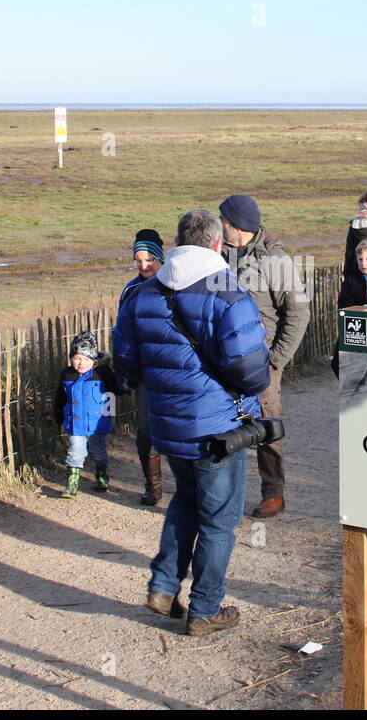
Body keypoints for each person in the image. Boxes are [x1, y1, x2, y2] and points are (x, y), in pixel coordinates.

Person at [114, 209, 271, 637]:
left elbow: (126, 366)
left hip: (167, 424)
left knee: (185, 500)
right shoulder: (228, 292)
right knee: (219, 520)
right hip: (217, 427)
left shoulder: (144, 294)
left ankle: (164, 587)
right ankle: (205, 609)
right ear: (217, 244)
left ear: (179, 241)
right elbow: (251, 370)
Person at [218, 195, 309, 518]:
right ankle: (224, 492)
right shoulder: (221, 254)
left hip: (262, 359)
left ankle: (274, 493)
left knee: (267, 424)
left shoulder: (275, 260)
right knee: (224, 423)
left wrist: (276, 360)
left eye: (224, 221)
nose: (221, 225)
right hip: (225, 358)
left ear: (239, 225)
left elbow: (298, 313)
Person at [119, 229, 165, 505]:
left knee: (182, 427)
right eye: (138, 260)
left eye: (149, 259)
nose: (144, 265)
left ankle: (189, 487)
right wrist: (125, 369)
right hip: (145, 372)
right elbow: (122, 333)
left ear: (160, 257)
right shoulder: (131, 290)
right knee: (146, 430)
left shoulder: (176, 284)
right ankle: (153, 487)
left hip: (176, 370)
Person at [52, 332, 123, 498]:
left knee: (98, 452)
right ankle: (72, 484)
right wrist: (58, 413)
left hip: (96, 423)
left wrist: (109, 367)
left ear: (94, 360)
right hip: (75, 424)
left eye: (85, 359)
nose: (80, 363)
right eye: (76, 358)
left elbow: (116, 389)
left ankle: (101, 474)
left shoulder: (102, 374)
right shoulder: (67, 374)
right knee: (75, 452)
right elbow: (61, 396)